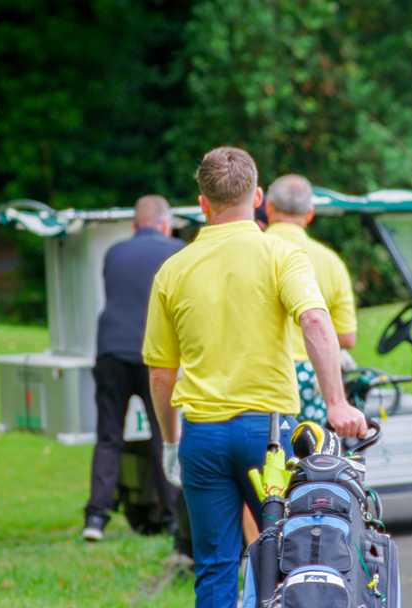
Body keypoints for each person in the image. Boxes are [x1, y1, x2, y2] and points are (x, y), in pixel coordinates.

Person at [142, 147, 366, 607]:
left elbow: (162, 375)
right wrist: (337, 403)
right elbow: (319, 323)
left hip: (202, 437)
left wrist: (169, 441)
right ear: (258, 197)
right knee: (287, 558)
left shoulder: (172, 271)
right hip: (269, 436)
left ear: (202, 203)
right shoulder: (281, 255)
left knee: (214, 569)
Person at [82, 195, 184, 541]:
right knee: (163, 433)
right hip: (153, 354)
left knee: (108, 436)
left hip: (111, 350)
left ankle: (95, 519)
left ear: (134, 225)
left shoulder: (114, 252)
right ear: (166, 224)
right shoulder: (176, 250)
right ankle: (172, 518)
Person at [264, 174, 358, 425]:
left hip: (263, 377)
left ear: (268, 207)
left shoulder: (250, 252)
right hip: (311, 376)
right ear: (310, 213)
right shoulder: (331, 262)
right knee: (310, 453)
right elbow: (347, 337)